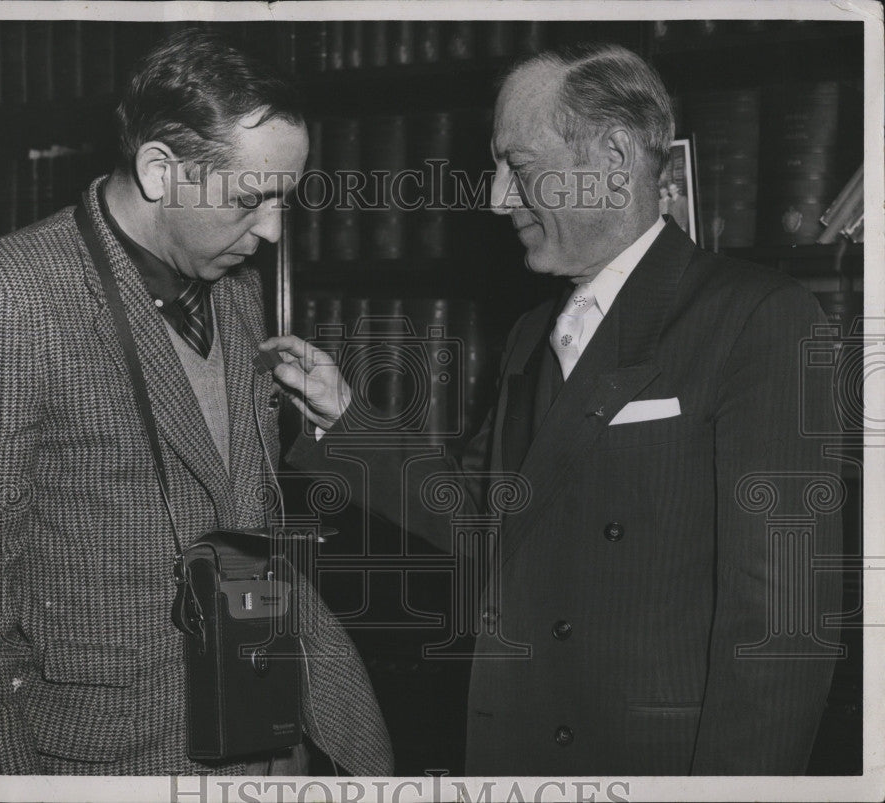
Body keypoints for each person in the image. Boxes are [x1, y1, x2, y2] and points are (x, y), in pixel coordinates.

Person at [262, 44, 842, 775]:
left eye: (520, 167)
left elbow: (783, 628)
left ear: (614, 155)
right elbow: (481, 515)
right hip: (519, 747)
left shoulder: (757, 318)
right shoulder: (533, 334)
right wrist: (344, 416)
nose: (498, 198)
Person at [0, 29, 391, 776]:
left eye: (284, 200)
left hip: (274, 723)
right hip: (115, 759)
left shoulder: (233, 284)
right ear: (160, 170)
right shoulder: (1, 296)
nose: (270, 231)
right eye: (250, 199)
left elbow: (237, 510)